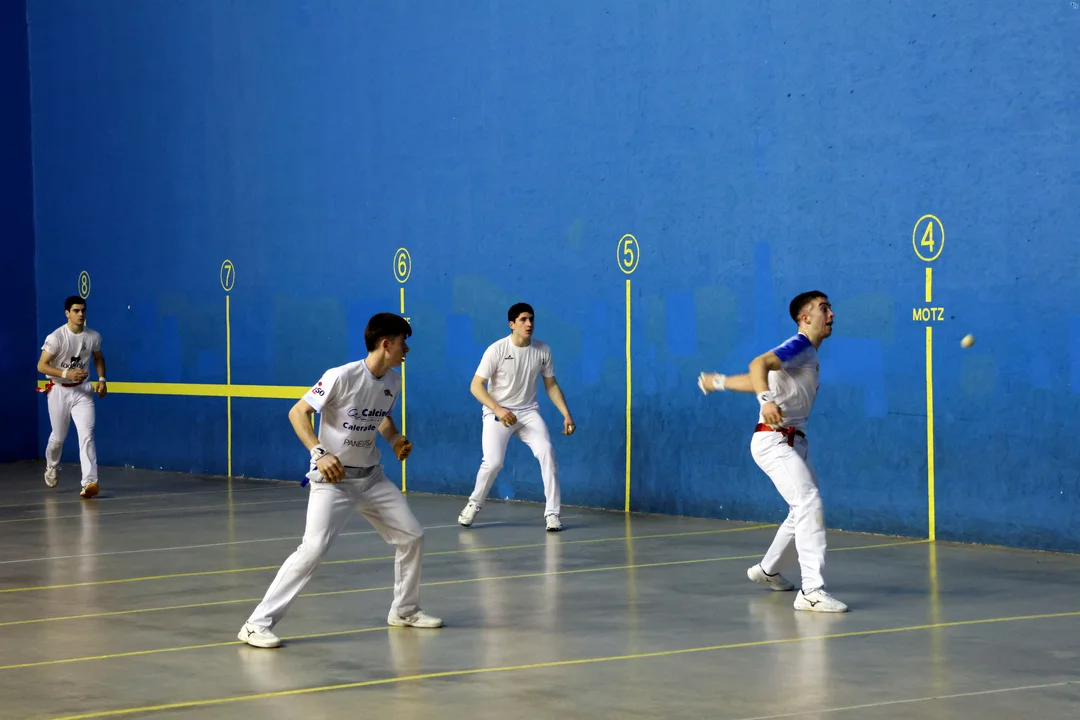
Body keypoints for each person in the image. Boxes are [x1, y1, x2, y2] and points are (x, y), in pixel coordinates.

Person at [238, 313, 442, 649]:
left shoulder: (393, 380)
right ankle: (255, 625)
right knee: (313, 549)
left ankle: (405, 610)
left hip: (372, 479)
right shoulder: (341, 376)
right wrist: (319, 452)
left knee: (412, 537)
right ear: (386, 344)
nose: (407, 349)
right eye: (403, 342)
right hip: (333, 480)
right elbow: (297, 412)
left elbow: (380, 417)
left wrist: (394, 439)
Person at [698, 291, 847, 613]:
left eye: (830, 308)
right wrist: (765, 401)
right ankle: (812, 591)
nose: (831, 314)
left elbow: (761, 377)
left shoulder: (804, 355)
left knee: (800, 510)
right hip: (774, 441)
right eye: (824, 309)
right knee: (808, 503)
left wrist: (719, 382)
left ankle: (767, 570)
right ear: (805, 318)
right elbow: (759, 364)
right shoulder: (800, 345)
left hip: (794, 443)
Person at [457, 302, 575, 532]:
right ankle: (473, 504)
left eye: (531, 319)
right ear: (512, 324)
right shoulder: (496, 350)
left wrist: (566, 414)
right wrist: (498, 409)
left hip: (528, 412)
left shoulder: (543, 350)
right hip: (498, 413)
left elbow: (551, 385)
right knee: (493, 462)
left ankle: (552, 514)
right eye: (523, 319)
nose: (529, 323)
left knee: (547, 452)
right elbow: (476, 386)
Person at [37, 296, 107, 498]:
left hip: (82, 392)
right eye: (76, 310)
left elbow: (98, 357)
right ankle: (51, 465)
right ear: (67, 313)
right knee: (58, 438)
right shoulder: (56, 337)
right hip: (59, 391)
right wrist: (66, 374)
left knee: (87, 435)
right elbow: (41, 365)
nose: (81, 314)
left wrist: (102, 378)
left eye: (83, 310)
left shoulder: (93, 336)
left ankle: (89, 482)